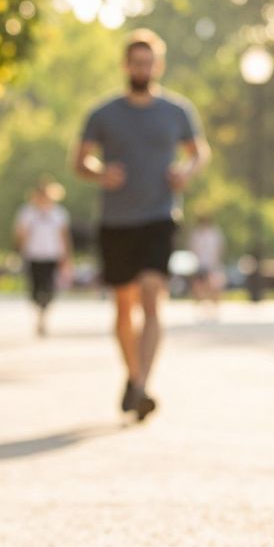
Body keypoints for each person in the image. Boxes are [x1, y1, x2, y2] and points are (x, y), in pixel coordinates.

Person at [74, 29, 209, 421]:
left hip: (159, 216)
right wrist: (101, 173)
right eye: (136, 62)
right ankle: (132, 376)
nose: (142, 68)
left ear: (158, 65)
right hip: (116, 221)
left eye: (148, 62)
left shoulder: (177, 111)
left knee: (152, 296)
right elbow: (80, 160)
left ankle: (143, 384)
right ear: (125, 65)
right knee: (123, 305)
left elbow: (199, 152)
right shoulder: (103, 113)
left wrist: (186, 170)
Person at [14, 179, 73, 337]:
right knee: (34, 289)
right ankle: (39, 311)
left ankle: (43, 316)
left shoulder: (59, 214)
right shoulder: (27, 213)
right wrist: (20, 249)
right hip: (33, 255)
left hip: (51, 255)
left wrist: (66, 257)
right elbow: (20, 234)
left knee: (48, 288)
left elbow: (64, 237)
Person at [188, 214, 225, 319]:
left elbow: (219, 248)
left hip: (213, 264)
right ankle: (200, 307)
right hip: (200, 264)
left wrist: (216, 261)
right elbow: (193, 248)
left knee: (215, 286)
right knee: (199, 286)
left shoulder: (214, 233)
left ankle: (215, 309)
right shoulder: (196, 234)